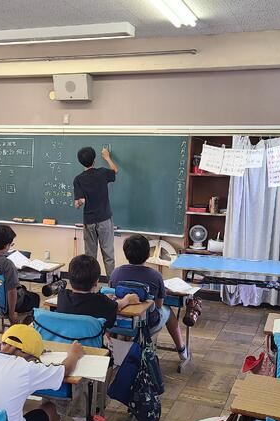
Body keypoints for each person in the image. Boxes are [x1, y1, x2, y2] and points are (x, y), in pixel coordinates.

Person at [110, 234, 189, 361]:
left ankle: (119, 348)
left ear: (125, 254)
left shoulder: (116, 272)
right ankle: (182, 350)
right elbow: (159, 305)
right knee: (168, 311)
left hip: (121, 320)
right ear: (148, 255)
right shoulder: (155, 275)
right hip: (147, 323)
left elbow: (113, 296)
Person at [0, 225, 39, 340]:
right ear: (7, 246)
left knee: (23, 290)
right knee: (35, 298)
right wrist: (11, 313)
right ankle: (21, 331)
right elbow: (11, 291)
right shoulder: (7, 264)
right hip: (3, 305)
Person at [57, 254, 138, 329]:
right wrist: (127, 300)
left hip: (66, 339)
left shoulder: (62, 296)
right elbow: (115, 307)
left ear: (69, 278)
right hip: (91, 340)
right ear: (96, 281)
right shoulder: (101, 301)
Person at [73, 146, 118, 277]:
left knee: (90, 257)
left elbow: (78, 202)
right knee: (108, 254)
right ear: (94, 160)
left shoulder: (78, 179)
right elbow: (115, 170)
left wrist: (79, 203)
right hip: (104, 219)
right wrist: (107, 157)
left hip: (89, 221)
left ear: (80, 162)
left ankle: (91, 283)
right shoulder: (103, 173)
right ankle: (112, 283)